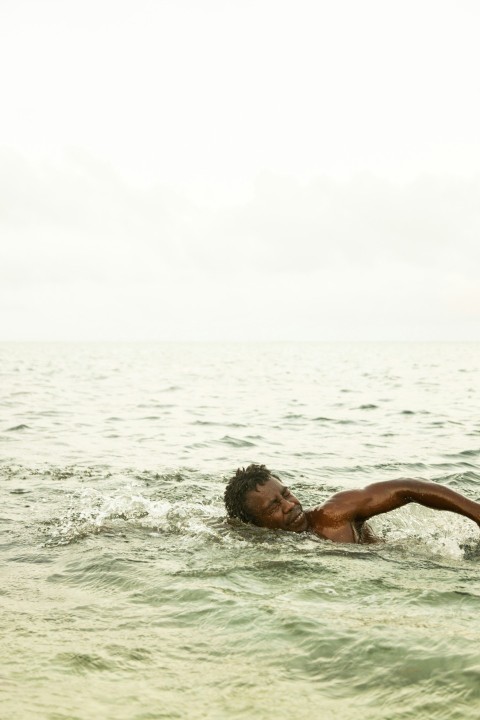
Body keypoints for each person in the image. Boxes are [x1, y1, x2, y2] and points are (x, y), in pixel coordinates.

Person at [224, 464, 480, 544]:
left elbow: (407, 488)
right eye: (273, 507)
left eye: (286, 494)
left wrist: (476, 512)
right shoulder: (256, 543)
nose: (290, 505)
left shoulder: (333, 515)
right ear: (254, 525)